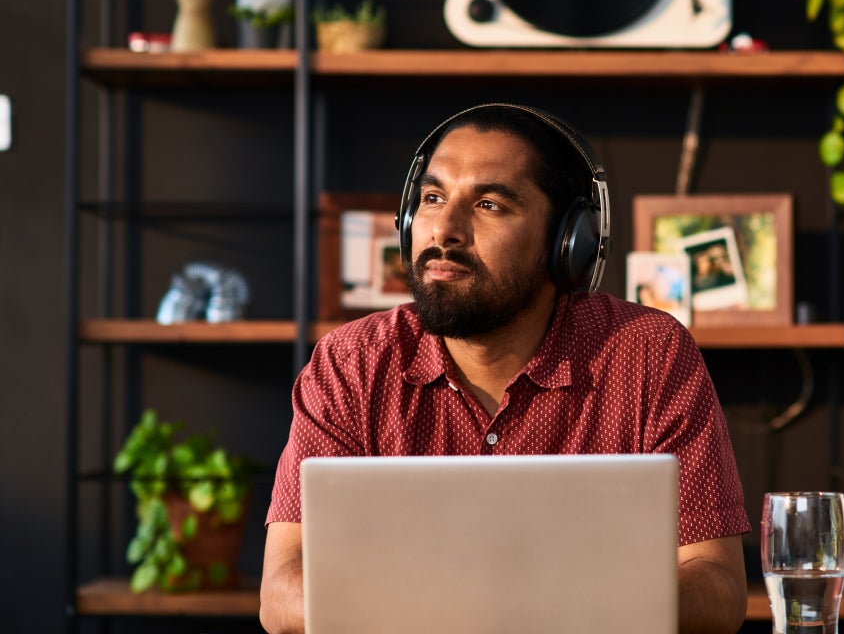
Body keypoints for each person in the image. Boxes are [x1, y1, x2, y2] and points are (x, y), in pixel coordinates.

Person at [259, 103, 751, 634]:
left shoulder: (647, 354)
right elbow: (282, 593)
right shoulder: (352, 361)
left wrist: (491, 602)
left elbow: (718, 590)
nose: (444, 230)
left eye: (489, 204)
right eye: (432, 198)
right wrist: (510, 602)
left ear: (568, 242)